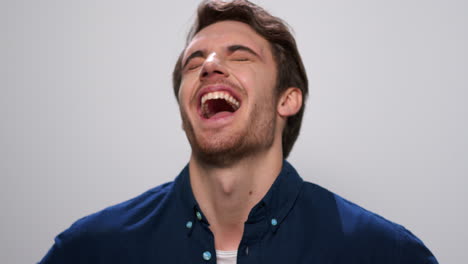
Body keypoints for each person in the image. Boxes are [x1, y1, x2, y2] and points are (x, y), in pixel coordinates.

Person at [40, 0, 438, 263]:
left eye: (240, 55)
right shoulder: (89, 250)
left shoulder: (383, 254)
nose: (209, 65)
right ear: (184, 109)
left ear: (288, 100)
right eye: (194, 62)